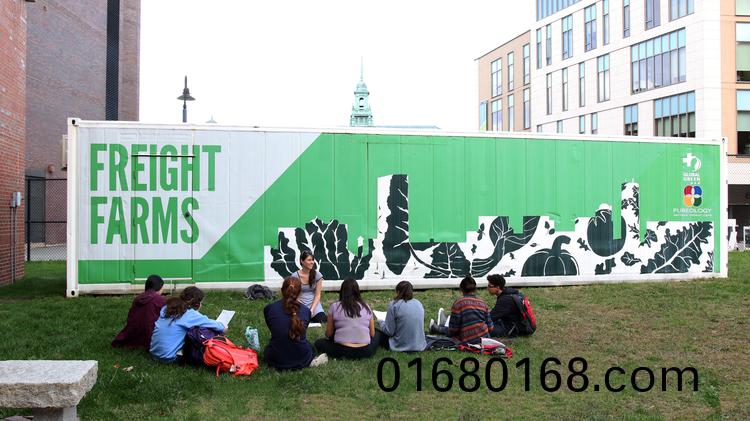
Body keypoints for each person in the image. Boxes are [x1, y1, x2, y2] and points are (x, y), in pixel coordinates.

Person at [263, 277, 328, 370]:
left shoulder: (269, 308)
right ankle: (312, 360)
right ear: (300, 293)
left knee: (269, 347)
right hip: (302, 358)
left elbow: (272, 329)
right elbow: (300, 332)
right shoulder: (306, 311)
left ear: (281, 290)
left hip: (276, 360)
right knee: (309, 345)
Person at [150, 286, 226, 363]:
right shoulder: (190, 314)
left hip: (154, 354)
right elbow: (220, 327)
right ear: (197, 303)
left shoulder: (167, 308)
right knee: (197, 331)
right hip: (169, 358)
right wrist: (224, 327)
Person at [314, 278, 381, 359]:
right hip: (365, 351)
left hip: (342, 350)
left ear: (342, 291)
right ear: (357, 291)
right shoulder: (366, 306)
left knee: (319, 343)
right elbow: (372, 334)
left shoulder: (334, 306)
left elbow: (329, 334)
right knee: (377, 333)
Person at [429, 276, 493, 345]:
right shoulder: (483, 303)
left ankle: (437, 328)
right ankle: (439, 325)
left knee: (450, 330)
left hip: (467, 340)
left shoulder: (458, 303)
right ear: (475, 289)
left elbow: (453, 330)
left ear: (461, 289)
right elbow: (491, 327)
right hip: (484, 340)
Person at [112, 274, 166, 349]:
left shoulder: (138, 298)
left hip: (133, 332)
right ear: (159, 287)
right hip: (150, 335)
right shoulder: (159, 300)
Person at [378, 281, 427, 352]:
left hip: (399, 345)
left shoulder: (394, 305)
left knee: (376, 333)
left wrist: (380, 322)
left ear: (398, 292)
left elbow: (389, 332)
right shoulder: (418, 303)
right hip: (419, 345)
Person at [291, 251, 327, 323]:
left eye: (312, 260)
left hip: (314, 303)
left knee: (322, 319)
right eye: (309, 260)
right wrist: (302, 308)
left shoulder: (317, 275)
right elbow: (294, 296)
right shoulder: (295, 276)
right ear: (302, 261)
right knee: (297, 320)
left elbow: (318, 295)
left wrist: (312, 309)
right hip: (300, 303)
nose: (312, 262)